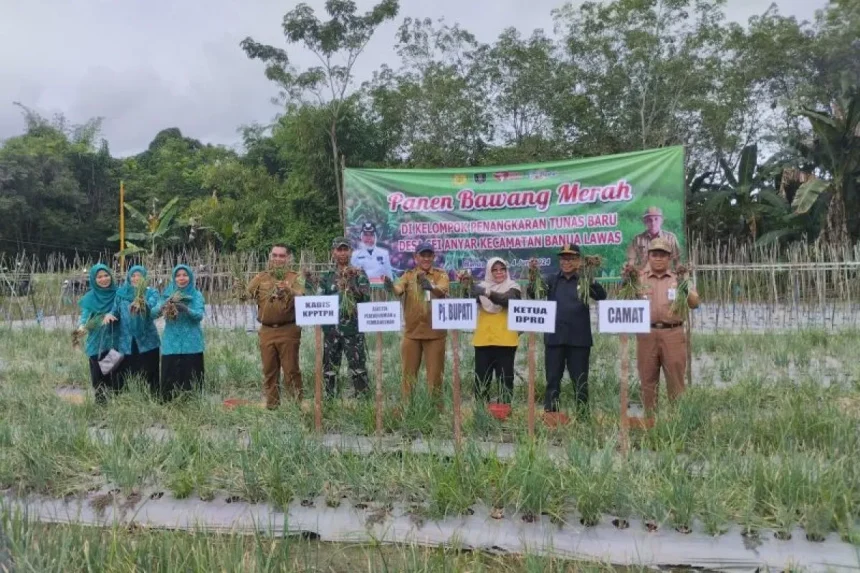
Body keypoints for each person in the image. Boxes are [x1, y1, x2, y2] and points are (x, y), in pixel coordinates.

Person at [528, 244, 606, 415]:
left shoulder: (584, 280)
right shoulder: (551, 280)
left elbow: (601, 296)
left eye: (571, 258)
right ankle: (551, 415)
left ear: (579, 260)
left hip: (579, 340)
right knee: (552, 380)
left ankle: (582, 417)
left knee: (580, 381)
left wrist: (590, 276)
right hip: (554, 338)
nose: (566, 262)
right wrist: (533, 276)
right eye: (563, 258)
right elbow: (534, 293)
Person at [636, 237, 699, 416]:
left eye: (663, 255)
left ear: (669, 258)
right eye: (654, 254)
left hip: (673, 334)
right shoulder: (639, 279)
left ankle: (677, 420)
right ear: (648, 256)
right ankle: (650, 420)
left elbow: (695, 303)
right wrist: (627, 281)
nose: (658, 258)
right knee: (647, 379)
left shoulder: (678, 279)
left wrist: (685, 286)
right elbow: (623, 301)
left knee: (676, 379)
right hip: (646, 335)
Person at [245, 244, 305, 409]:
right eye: (275, 255)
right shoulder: (261, 277)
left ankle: (295, 406)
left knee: (291, 370)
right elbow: (245, 295)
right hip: (266, 330)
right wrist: (239, 287)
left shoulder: (295, 277)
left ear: (288, 258)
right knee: (269, 371)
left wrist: (288, 290)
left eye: (282, 256)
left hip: (288, 329)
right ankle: (272, 406)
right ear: (270, 257)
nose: (278, 259)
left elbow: (303, 296)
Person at [314, 237, 372, 398]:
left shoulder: (359, 274)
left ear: (350, 251)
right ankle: (330, 399)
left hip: (353, 330)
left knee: (358, 367)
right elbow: (318, 301)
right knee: (330, 368)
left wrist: (351, 285)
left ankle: (362, 399)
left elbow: (366, 300)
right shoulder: (326, 276)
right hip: (331, 331)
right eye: (339, 249)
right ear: (333, 252)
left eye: (345, 249)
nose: (342, 253)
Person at [391, 241, 449, 402]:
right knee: (408, 376)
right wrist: (390, 286)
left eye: (429, 255)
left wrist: (430, 286)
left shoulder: (440, 275)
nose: (426, 258)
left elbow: (442, 290)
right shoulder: (408, 275)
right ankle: (406, 408)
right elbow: (398, 289)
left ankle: (435, 411)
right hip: (412, 334)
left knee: (435, 376)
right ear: (416, 257)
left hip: (435, 334)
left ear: (433, 257)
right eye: (422, 255)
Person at [470, 257, 521, 404]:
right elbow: (467, 300)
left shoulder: (513, 287)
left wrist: (487, 293)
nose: (499, 273)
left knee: (505, 382)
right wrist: (466, 284)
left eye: (502, 269)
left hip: (506, 341)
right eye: (495, 270)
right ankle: (481, 415)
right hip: (483, 341)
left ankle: (504, 416)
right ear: (489, 272)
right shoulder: (481, 287)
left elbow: (507, 300)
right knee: (481, 381)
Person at [154, 265, 206, 400]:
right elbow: (154, 314)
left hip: (192, 343)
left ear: (190, 277)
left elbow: (199, 316)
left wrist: (186, 309)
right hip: (172, 342)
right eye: (178, 275)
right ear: (173, 278)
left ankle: (193, 401)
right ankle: (169, 401)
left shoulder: (196, 295)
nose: (181, 278)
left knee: (192, 375)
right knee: (170, 374)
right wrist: (164, 305)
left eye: (185, 275)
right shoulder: (167, 294)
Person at [108, 265, 161, 395]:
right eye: (133, 275)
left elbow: (153, 310)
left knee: (149, 369)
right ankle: (124, 397)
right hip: (125, 339)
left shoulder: (151, 293)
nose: (136, 278)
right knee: (124, 370)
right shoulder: (121, 293)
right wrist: (109, 315)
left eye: (139, 276)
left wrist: (142, 304)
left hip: (147, 339)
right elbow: (115, 311)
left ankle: (153, 397)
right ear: (129, 277)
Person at [76, 264, 121, 404]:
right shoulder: (90, 297)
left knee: (113, 373)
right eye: (99, 277)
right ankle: (101, 405)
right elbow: (85, 315)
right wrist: (82, 326)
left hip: (114, 339)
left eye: (106, 275)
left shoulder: (118, 293)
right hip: (96, 341)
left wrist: (112, 314)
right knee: (98, 374)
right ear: (94, 279)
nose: (104, 279)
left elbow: (122, 310)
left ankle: (117, 404)